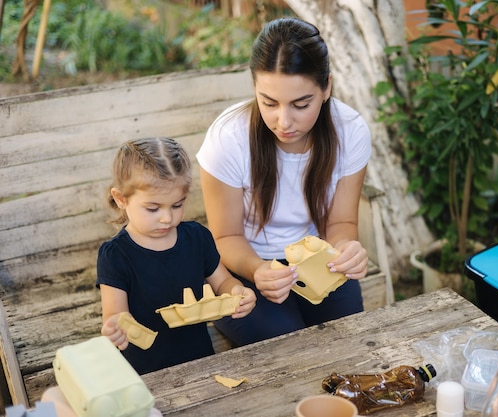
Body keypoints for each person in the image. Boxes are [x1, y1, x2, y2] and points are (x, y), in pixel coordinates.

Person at [196, 17, 372, 347]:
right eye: (269, 102)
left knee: (347, 339)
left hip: (319, 259)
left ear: (327, 88)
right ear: (254, 90)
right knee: (287, 345)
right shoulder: (229, 139)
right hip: (243, 266)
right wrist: (258, 270)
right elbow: (225, 235)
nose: (284, 121)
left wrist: (347, 250)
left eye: (301, 104)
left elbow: (342, 222)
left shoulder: (350, 131)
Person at [97, 137, 256, 374]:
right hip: (144, 368)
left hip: (198, 356)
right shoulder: (115, 255)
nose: (167, 218)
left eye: (177, 205)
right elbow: (115, 313)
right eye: (153, 208)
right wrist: (114, 328)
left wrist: (238, 292)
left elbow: (222, 281)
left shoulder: (197, 238)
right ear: (121, 199)